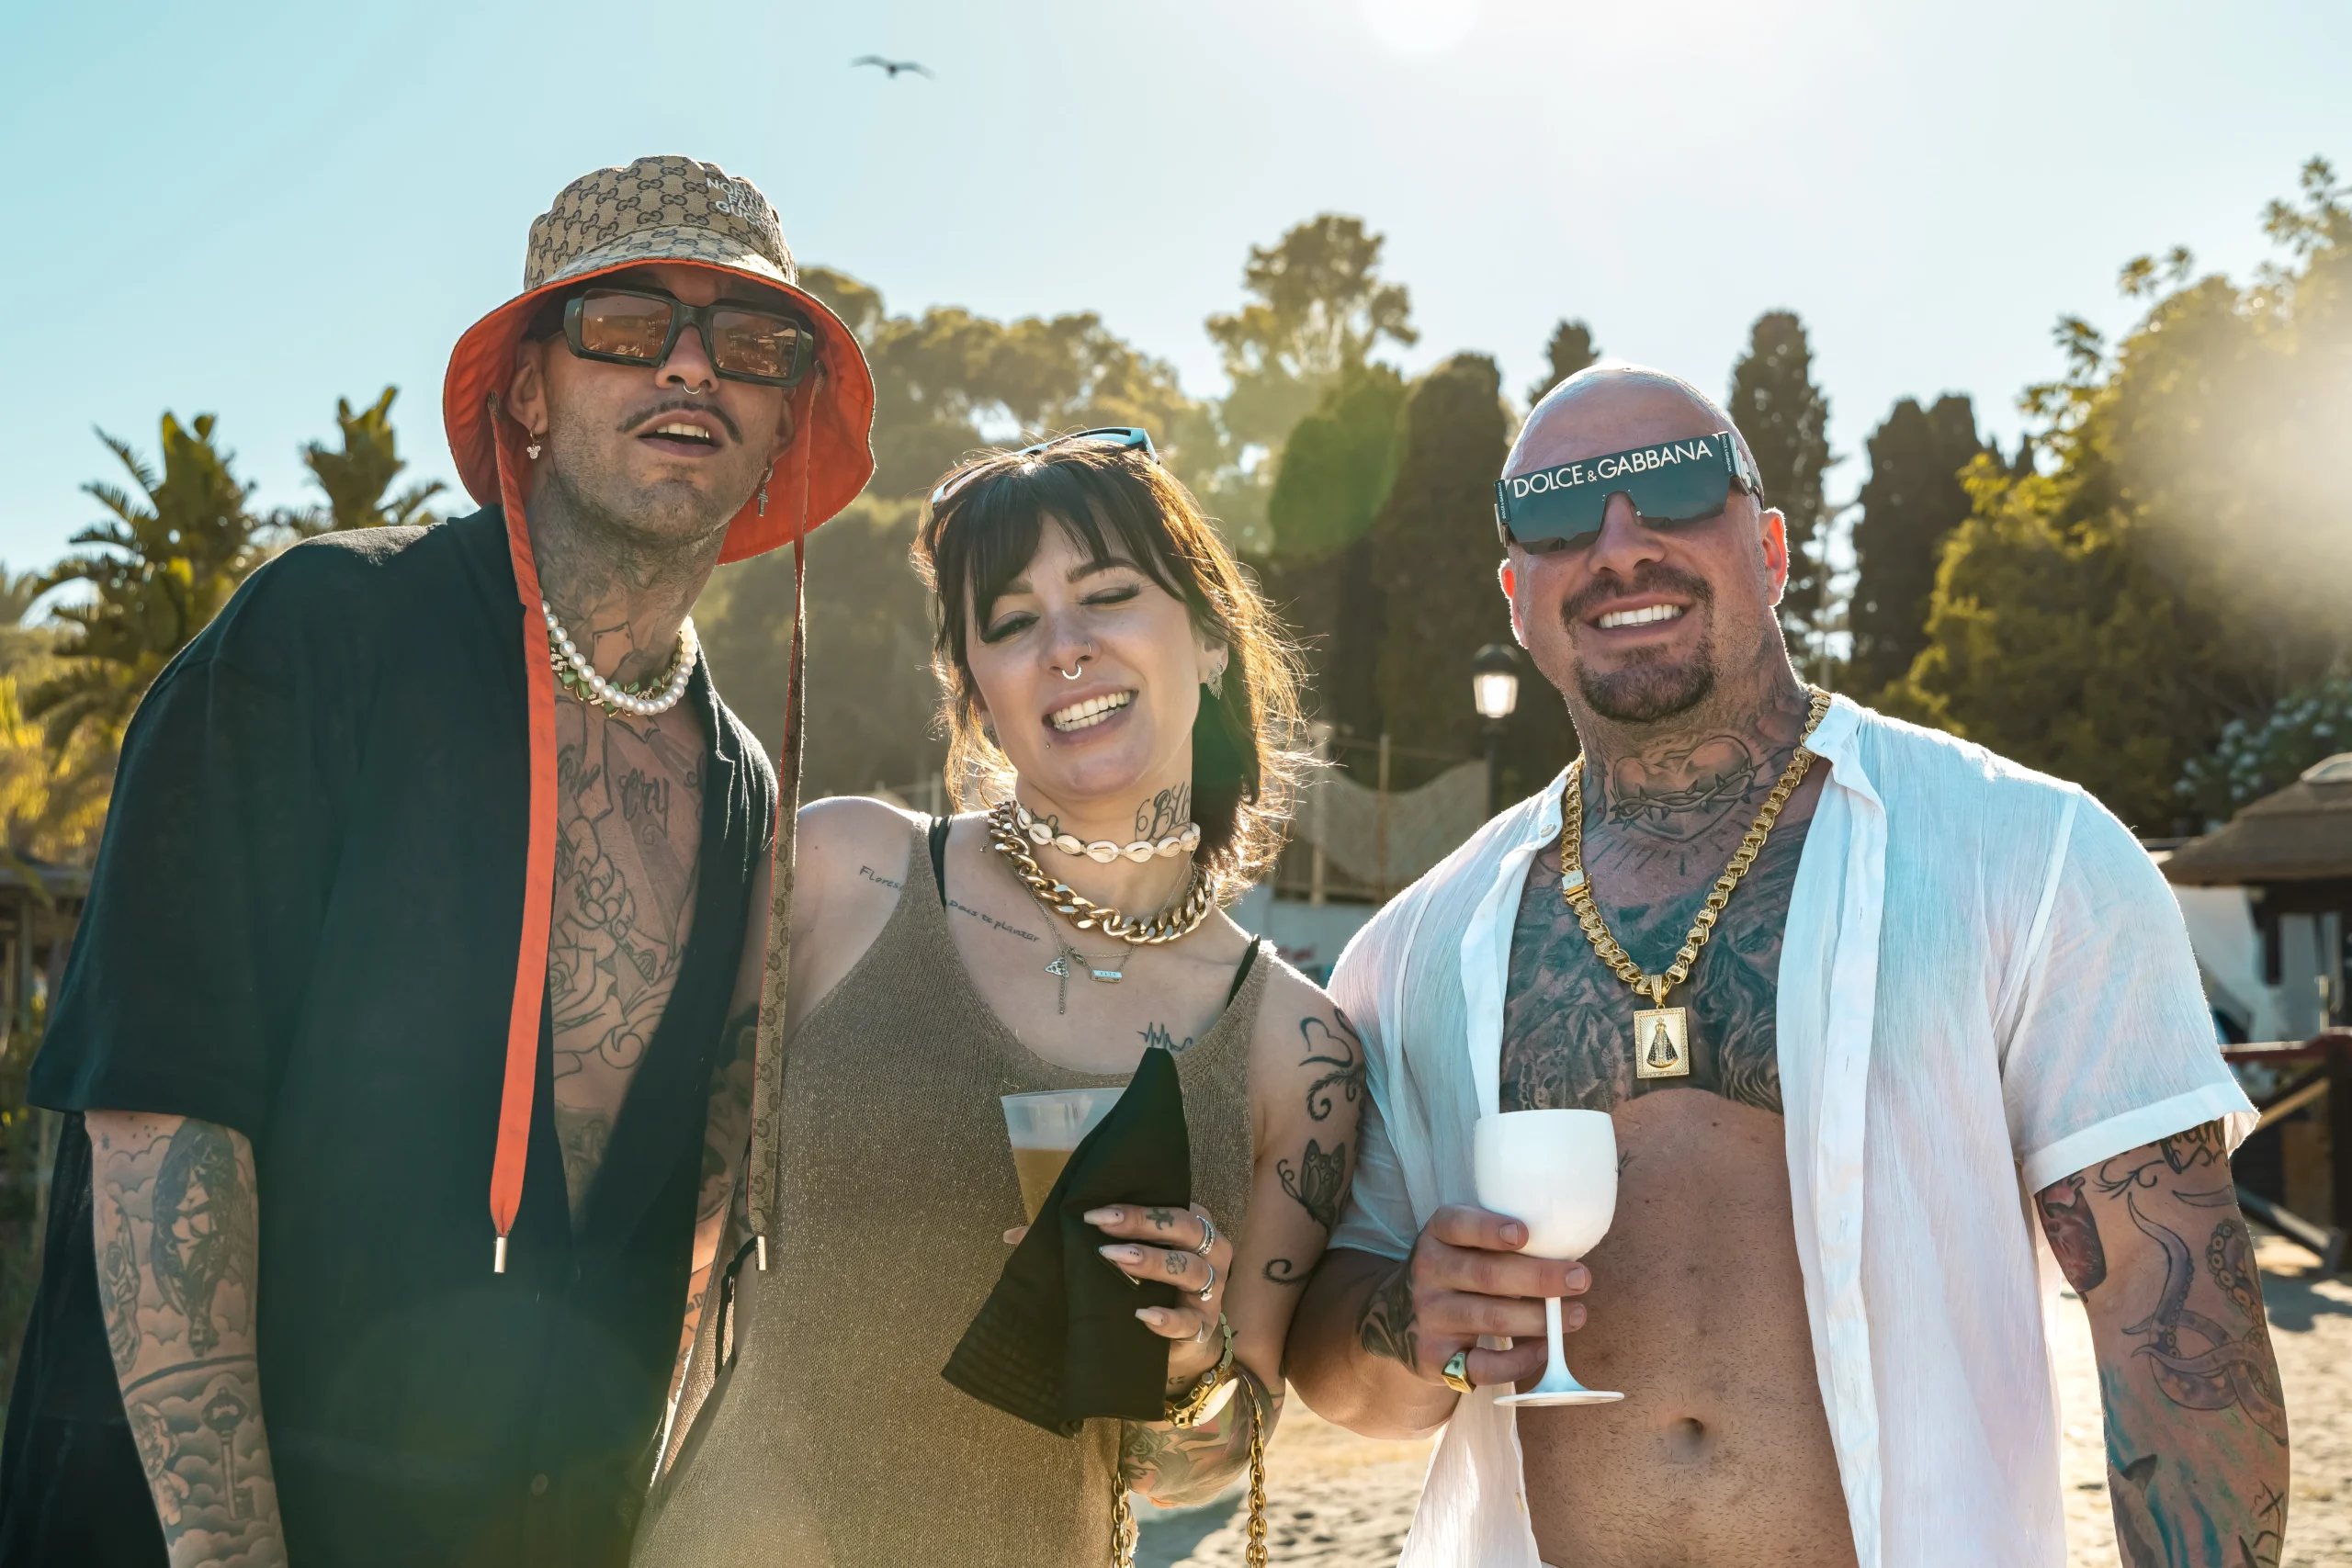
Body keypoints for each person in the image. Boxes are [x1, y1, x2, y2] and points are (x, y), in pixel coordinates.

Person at [0, 155, 876, 1568]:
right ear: (527, 392)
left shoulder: (744, 793)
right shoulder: (322, 635)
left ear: (786, 423)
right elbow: (160, 1124)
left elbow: (697, 1207)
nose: (691, 366)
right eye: (627, 325)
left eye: (753, 343)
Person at [1284, 365, 2288, 1567]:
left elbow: (2171, 1319)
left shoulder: (2026, 853)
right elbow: (1342, 1372)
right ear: (1517, 596)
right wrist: (1409, 1325)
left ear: (1769, 549)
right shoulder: (1411, 947)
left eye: (1672, 488)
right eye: (1557, 513)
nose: (1620, 544)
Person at [646, 433, 1363, 1568]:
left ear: (1212, 637)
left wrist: (1189, 1362)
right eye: (1014, 621)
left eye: (1109, 595)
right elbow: (657, 1230)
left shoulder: (1297, 1046)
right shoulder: (844, 874)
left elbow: (1199, 1471)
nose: (1065, 648)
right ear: (976, 690)